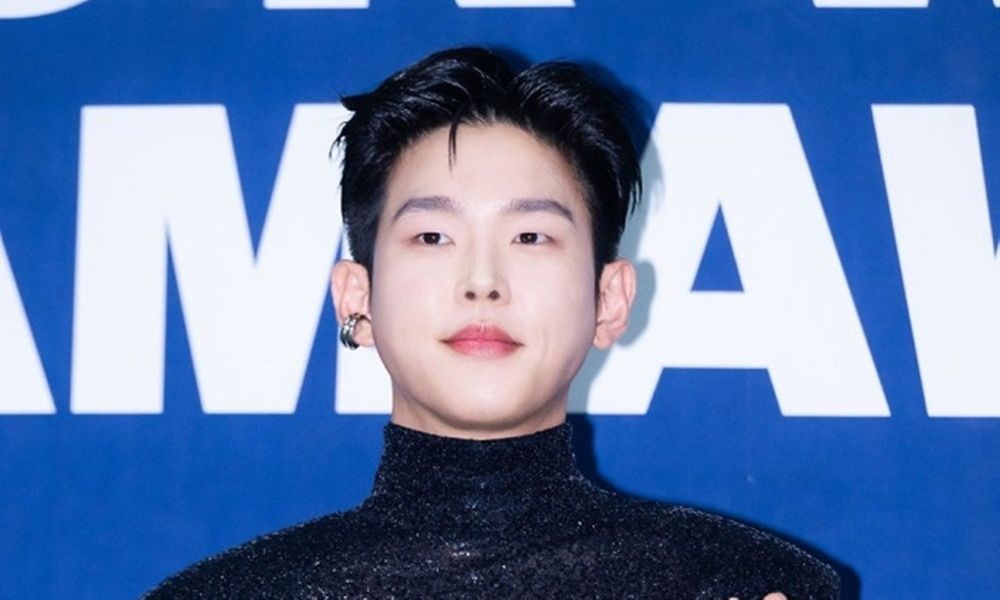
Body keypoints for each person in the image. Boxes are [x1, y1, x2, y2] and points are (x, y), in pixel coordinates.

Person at [144, 47, 840, 599]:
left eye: (531, 237)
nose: (482, 281)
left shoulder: (738, 584)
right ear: (357, 296)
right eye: (433, 237)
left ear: (609, 300)